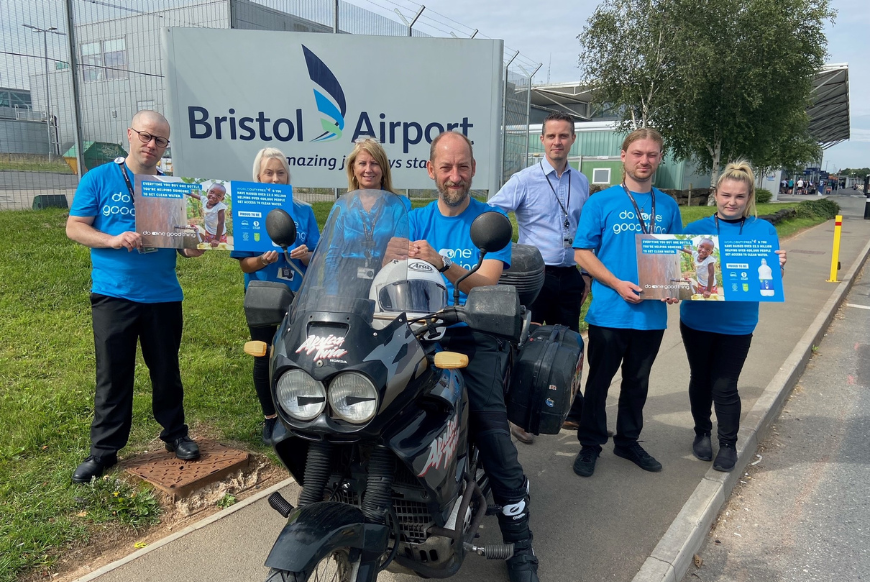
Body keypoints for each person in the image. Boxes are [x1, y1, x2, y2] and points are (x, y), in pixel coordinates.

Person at [409, 131, 538, 582]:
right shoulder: (413, 219)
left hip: (473, 334)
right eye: (446, 166)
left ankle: (520, 544)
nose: (455, 175)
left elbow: (487, 283)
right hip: (417, 332)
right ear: (431, 170)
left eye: (462, 166)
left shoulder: (492, 221)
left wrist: (442, 263)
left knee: (490, 427)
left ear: (473, 169)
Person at [67, 110, 205, 484]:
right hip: (114, 295)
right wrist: (111, 239)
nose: (152, 145)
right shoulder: (99, 178)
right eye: (146, 136)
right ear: (129, 135)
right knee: (113, 374)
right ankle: (104, 451)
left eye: (160, 140)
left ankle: (175, 434)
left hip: (162, 295)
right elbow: (75, 227)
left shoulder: (172, 187)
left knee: (166, 370)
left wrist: (199, 240)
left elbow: (187, 248)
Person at [571, 127, 683, 478]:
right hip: (609, 312)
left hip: (651, 317)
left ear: (659, 159)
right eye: (637, 153)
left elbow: (677, 257)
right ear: (623, 156)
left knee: (638, 383)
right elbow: (581, 253)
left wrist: (673, 286)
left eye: (651, 154)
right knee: (599, 383)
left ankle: (628, 441)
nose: (644, 160)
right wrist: (616, 283)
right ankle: (590, 445)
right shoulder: (601, 202)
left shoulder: (667, 205)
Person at [488, 112, 591, 443]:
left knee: (569, 345)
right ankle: (519, 414)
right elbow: (491, 215)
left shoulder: (582, 182)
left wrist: (586, 273)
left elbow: (586, 232)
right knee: (525, 343)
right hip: (535, 276)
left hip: (570, 275)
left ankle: (568, 408)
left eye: (563, 136)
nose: (557, 142)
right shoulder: (524, 180)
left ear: (572, 139)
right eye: (551, 136)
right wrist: (507, 254)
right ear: (542, 141)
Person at [681, 160, 786, 472]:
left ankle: (728, 442)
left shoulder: (763, 231)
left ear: (749, 196)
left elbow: (768, 281)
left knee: (725, 385)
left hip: (738, 324)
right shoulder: (694, 230)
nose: (731, 202)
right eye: (726, 195)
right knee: (700, 380)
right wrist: (671, 284)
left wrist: (778, 269)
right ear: (716, 193)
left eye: (739, 197)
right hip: (697, 321)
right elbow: (681, 277)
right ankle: (702, 432)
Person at [230, 148, 320, 445]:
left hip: (298, 295)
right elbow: (245, 263)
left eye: (280, 173)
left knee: (302, 356)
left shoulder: (304, 212)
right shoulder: (247, 212)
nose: (275, 178)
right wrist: (264, 261)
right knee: (265, 355)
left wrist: (306, 255)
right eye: (268, 172)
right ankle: (270, 418)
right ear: (258, 176)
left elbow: (318, 258)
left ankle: (301, 414)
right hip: (262, 297)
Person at [323, 139, 409, 293]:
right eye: (362, 163)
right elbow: (332, 256)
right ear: (353, 169)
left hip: (386, 282)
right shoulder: (342, 206)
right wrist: (331, 294)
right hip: (347, 287)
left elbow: (401, 252)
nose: (368, 169)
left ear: (383, 169)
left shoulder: (399, 205)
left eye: (374, 163)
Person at [187, 182, 228, 247]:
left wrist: (217, 239)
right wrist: (183, 190)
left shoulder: (220, 207)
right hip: (208, 231)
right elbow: (191, 194)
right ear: (207, 191)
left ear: (222, 199)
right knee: (208, 247)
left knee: (219, 248)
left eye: (218, 195)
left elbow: (221, 223)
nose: (214, 196)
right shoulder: (204, 199)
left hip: (219, 234)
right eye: (211, 192)